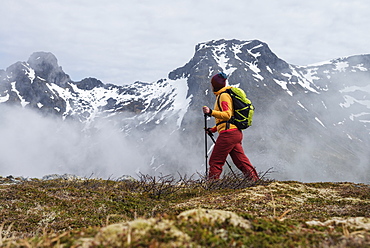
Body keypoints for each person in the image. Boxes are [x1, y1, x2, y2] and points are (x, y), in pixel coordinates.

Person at [202, 72, 259, 181]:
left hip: (228, 134)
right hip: (234, 133)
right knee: (241, 161)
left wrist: (210, 112)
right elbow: (224, 120)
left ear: (215, 85)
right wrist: (213, 130)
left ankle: (212, 186)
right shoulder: (222, 95)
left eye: (212, 84)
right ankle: (255, 181)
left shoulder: (223, 96)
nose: (211, 86)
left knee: (215, 161)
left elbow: (227, 115)